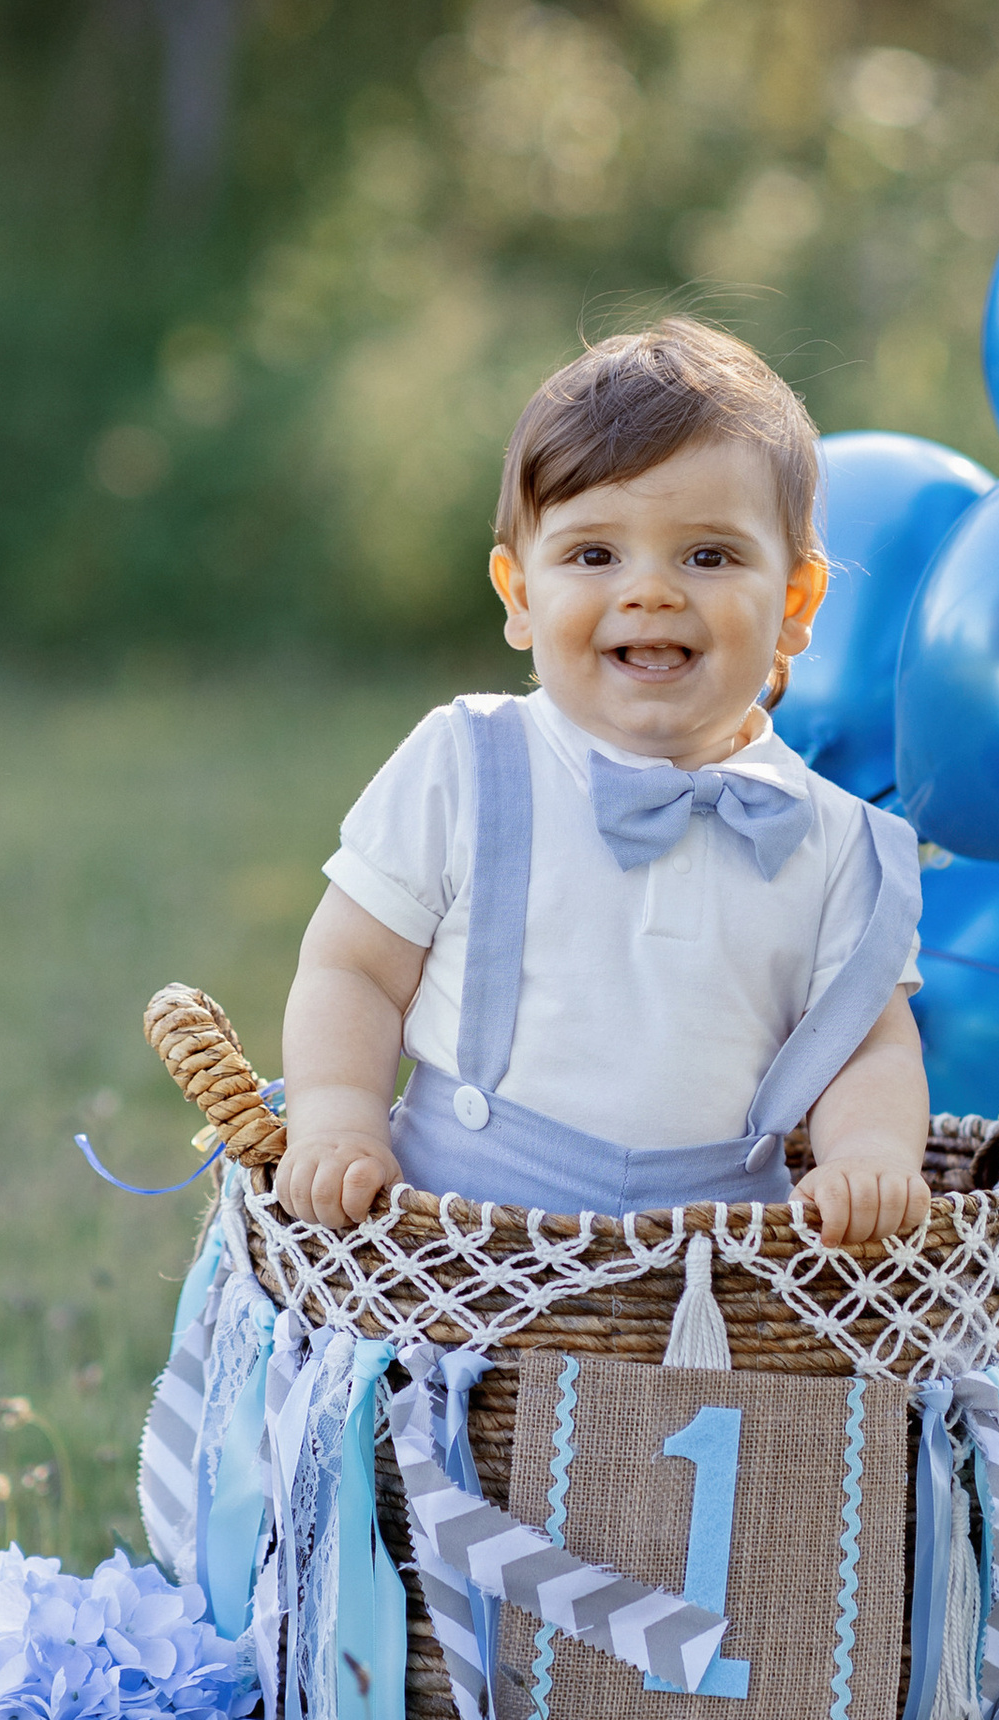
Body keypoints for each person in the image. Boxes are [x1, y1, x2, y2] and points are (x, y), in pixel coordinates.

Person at [275, 318, 935, 1248]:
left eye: (708, 556)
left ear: (795, 604)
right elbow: (354, 969)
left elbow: (866, 1044)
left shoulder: (833, 841)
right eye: (594, 555)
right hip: (459, 1239)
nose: (650, 591)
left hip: (715, 1264)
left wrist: (869, 1154)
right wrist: (338, 1119)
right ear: (520, 596)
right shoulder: (468, 763)